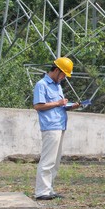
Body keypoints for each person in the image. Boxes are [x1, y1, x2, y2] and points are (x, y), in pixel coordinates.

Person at [33, 57, 80, 200]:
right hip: (50, 126)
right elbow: (38, 106)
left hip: (60, 125)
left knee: (55, 161)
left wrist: (69, 106)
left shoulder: (57, 85)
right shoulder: (41, 85)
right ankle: (41, 192)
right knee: (48, 160)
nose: (64, 77)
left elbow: (58, 105)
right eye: (64, 74)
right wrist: (58, 102)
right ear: (57, 70)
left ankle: (49, 189)